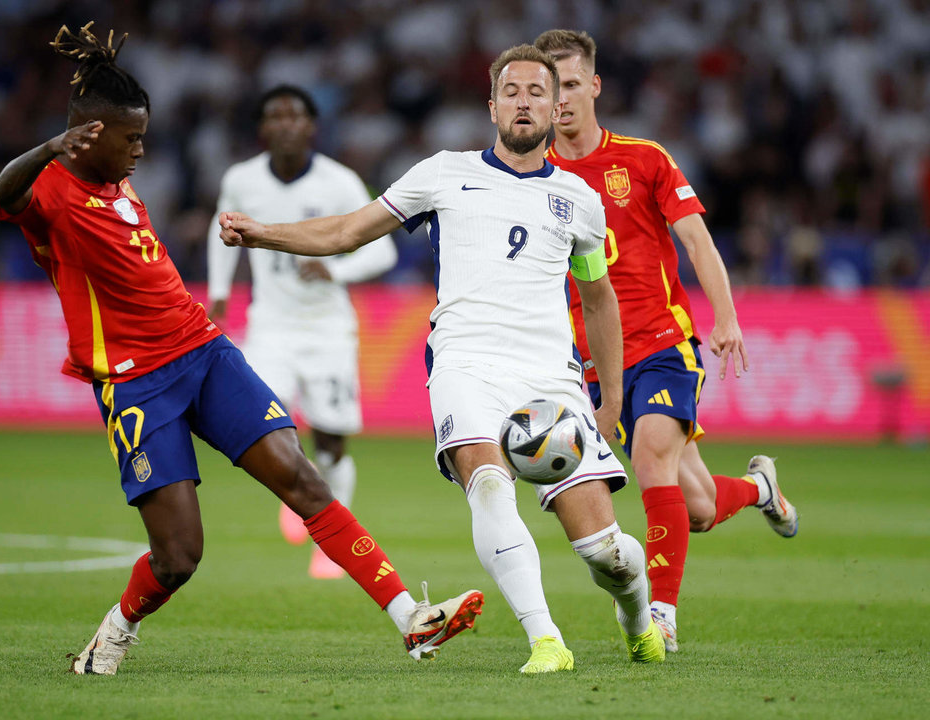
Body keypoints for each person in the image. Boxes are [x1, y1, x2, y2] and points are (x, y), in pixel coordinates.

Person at [0, 22, 482, 676]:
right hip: (137, 383)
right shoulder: (52, 191)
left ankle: (410, 618)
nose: (141, 150)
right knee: (179, 557)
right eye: (131, 138)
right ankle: (115, 631)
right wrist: (50, 146)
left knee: (304, 479)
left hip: (204, 352)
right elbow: (1, 193)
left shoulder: (116, 179)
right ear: (90, 135)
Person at [220, 44, 666, 673]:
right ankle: (547, 640)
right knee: (487, 486)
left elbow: (598, 302)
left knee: (603, 552)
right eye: (511, 91)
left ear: (557, 105)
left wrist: (612, 397)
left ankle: (637, 617)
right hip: (464, 363)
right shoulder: (442, 173)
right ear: (491, 106)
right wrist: (263, 232)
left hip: (550, 381)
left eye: (538, 92)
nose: (524, 102)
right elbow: (348, 231)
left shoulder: (579, 201)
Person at [534, 29, 799, 653]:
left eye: (572, 84)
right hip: (597, 361)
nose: (562, 99)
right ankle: (761, 488)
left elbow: (698, 242)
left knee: (653, 457)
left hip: (661, 342)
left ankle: (662, 615)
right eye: (551, 88)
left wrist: (725, 318)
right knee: (699, 507)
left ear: (594, 86)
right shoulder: (534, 173)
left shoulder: (643, 158)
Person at [208, 85, 398, 579]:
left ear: (312, 127)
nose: (287, 123)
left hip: (328, 330)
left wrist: (336, 270)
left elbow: (383, 250)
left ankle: (331, 544)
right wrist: (221, 289)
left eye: (296, 116)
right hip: (270, 326)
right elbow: (221, 226)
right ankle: (300, 498)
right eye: (276, 116)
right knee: (267, 424)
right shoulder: (241, 178)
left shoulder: (340, 182)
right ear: (263, 128)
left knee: (332, 441)